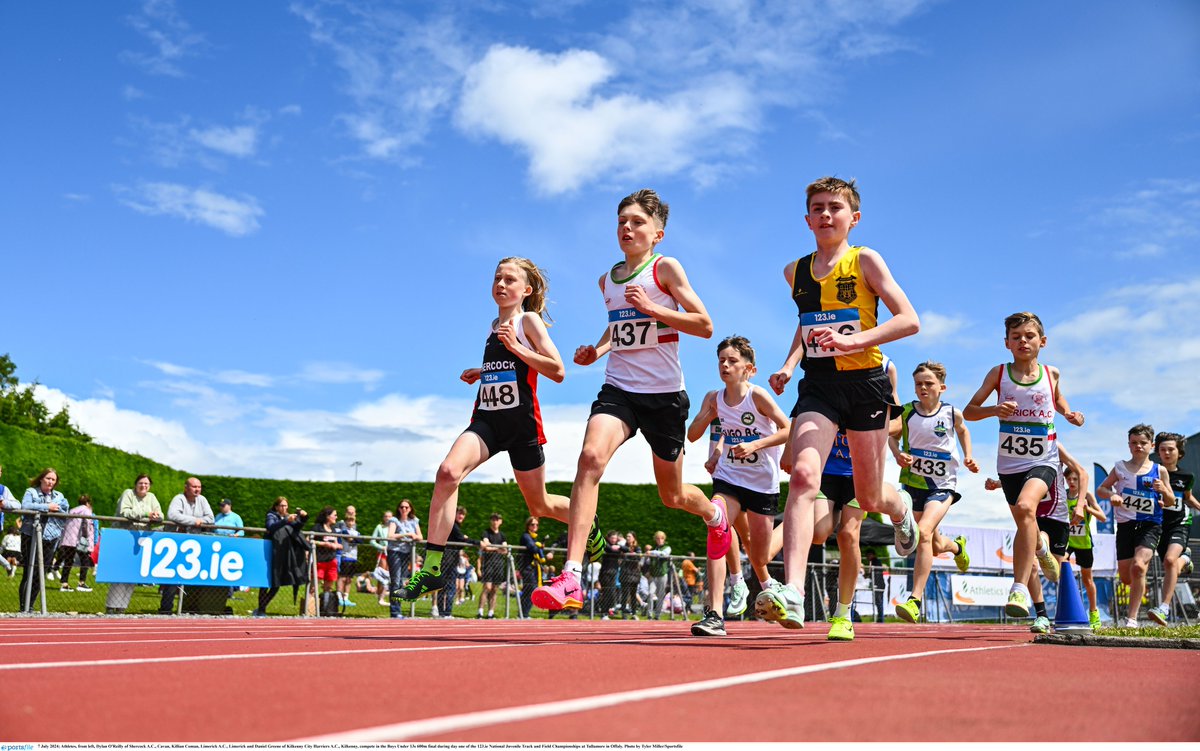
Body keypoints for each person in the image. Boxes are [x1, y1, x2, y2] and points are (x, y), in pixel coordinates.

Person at [534, 188, 727, 613]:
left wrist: (656, 310)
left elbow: (704, 324)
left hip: (663, 397)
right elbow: (619, 327)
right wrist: (597, 352)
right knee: (589, 458)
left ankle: (715, 516)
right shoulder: (608, 279)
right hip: (619, 389)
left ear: (657, 233)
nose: (627, 228)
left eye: (637, 222)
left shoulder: (665, 269)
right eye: (622, 221)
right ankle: (571, 574)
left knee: (671, 495)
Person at [763, 177, 921, 630]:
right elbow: (807, 324)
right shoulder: (794, 272)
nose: (826, 214)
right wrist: (792, 364)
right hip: (820, 386)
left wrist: (855, 340)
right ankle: (792, 592)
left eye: (836, 207)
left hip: (866, 384)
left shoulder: (865, 259)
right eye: (818, 208)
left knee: (868, 495)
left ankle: (900, 508)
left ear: (854, 217)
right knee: (803, 475)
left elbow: (909, 320)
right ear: (807, 218)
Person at [401, 258, 606, 605]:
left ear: (525, 290)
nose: (501, 283)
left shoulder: (529, 321)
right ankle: (433, 566)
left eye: (510, 279)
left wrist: (516, 347)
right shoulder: (493, 324)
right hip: (487, 421)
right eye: (497, 277)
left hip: (522, 425)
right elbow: (508, 369)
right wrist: (482, 372)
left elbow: (557, 370)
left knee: (539, 505)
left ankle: (588, 522)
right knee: (448, 472)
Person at [964, 311, 1085, 618]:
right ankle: (1040, 551)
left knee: (1026, 507)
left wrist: (1071, 414)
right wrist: (995, 409)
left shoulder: (1051, 373)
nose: (1023, 341)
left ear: (1042, 341)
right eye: (1016, 337)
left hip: (1043, 459)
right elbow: (969, 411)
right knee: (1023, 519)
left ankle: (1018, 588)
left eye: (1029, 336)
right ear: (1007, 343)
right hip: (1009, 464)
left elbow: (1057, 400)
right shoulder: (999, 374)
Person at [686, 335, 789, 637]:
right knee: (717, 525)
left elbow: (787, 429)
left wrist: (756, 443)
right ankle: (715, 613)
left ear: (749, 369)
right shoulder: (713, 397)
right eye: (721, 361)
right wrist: (710, 418)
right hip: (729, 477)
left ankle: (796, 522)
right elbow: (692, 435)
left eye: (732, 361)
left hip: (761, 483)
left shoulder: (758, 396)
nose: (725, 366)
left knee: (760, 555)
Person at [889, 361, 978, 625]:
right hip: (913, 484)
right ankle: (956, 547)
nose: (923, 388)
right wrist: (897, 453)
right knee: (933, 543)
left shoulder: (951, 413)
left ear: (942, 387)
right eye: (918, 384)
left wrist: (969, 456)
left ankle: (914, 600)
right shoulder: (906, 412)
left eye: (929, 383)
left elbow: (963, 431)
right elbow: (889, 435)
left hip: (942, 485)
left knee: (924, 532)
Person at [1096, 424, 1173, 627]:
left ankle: (1132, 618)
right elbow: (1101, 489)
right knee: (1126, 577)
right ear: (1129, 445)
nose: (1138, 446)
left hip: (1150, 524)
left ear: (1152, 445)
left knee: (1139, 567)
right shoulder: (1120, 467)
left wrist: (1164, 489)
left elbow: (1172, 500)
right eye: (1134, 443)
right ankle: (1137, 585)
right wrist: (1112, 494)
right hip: (1125, 525)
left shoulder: (1160, 470)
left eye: (1143, 443)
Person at [1148, 432, 1198, 625]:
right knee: (1170, 565)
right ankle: (1185, 558)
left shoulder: (1187, 476)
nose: (1167, 453)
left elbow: (1187, 497)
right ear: (1157, 452)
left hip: (1180, 523)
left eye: (1171, 449)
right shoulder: (1152, 472)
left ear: (1180, 453)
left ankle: (1164, 608)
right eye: (1162, 449)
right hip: (1159, 525)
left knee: (1169, 561)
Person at [106, 474, 164, 614]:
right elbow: (124, 512)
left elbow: (161, 514)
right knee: (120, 573)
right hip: (124, 536)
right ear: (136, 484)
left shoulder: (152, 497)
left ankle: (122, 607)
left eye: (146, 484)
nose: (143, 486)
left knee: (132, 574)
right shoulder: (128, 493)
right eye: (141, 483)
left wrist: (156, 517)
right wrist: (146, 514)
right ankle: (111, 606)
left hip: (141, 539)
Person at [159, 477, 215, 614]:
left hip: (195, 543)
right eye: (194, 487)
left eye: (199, 487)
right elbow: (172, 515)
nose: (197, 489)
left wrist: (196, 521)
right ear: (186, 488)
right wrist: (195, 521)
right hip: (177, 543)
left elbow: (211, 519)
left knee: (194, 576)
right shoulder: (178, 499)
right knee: (172, 577)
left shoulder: (202, 500)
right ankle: (166, 609)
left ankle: (189, 608)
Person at [1064, 462, 1108, 628]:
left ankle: (1093, 612)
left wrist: (1086, 509)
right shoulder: (1063, 495)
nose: (1073, 482)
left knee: (1087, 579)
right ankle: (1068, 608)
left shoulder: (1087, 496)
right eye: (1069, 479)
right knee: (1060, 565)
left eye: (1075, 479)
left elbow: (1102, 517)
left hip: (1084, 542)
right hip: (1068, 540)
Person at [18, 468, 67, 612]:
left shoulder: (59, 495)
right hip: (30, 535)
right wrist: (47, 507)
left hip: (51, 537)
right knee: (29, 571)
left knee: (41, 573)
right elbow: (25, 506)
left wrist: (53, 509)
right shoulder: (31, 492)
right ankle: (23, 606)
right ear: (41, 479)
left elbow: (64, 510)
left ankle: (31, 605)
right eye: (48, 478)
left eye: (53, 479)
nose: (51, 482)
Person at [254, 496, 309, 617]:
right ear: (276, 507)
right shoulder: (271, 515)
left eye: (285, 505)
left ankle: (261, 608)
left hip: (282, 553)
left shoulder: (288, 516)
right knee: (265, 582)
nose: (284, 508)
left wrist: (304, 518)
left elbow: (297, 527)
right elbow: (271, 527)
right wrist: (286, 520)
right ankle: (261, 610)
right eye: (282, 505)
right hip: (269, 552)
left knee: (276, 584)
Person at [387, 499, 422, 617]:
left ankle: (398, 610)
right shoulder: (394, 520)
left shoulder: (414, 521)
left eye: (406, 507)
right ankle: (395, 612)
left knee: (402, 582)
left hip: (407, 553)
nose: (404, 509)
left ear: (410, 509)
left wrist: (414, 537)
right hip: (395, 552)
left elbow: (420, 536)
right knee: (395, 581)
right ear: (398, 508)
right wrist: (406, 535)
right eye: (402, 507)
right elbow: (390, 536)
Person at [57, 495, 96, 592]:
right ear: (88, 503)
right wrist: (86, 537)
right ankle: (81, 583)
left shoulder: (73, 510)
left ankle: (64, 584)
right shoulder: (86, 510)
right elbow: (86, 524)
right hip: (79, 540)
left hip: (68, 539)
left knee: (68, 561)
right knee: (85, 561)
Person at [518, 516, 551, 617]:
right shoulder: (526, 536)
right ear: (528, 526)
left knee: (529, 590)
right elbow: (532, 548)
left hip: (532, 568)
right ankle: (523, 614)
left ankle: (523, 614)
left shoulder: (534, 537)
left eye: (536, 524)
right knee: (531, 589)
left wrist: (539, 546)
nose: (535, 526)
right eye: (532, 524)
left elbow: (536, 548)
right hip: (526, 567)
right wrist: (539, 545)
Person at [477, 512, 507, 618]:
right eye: (493, 519)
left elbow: (505, 550)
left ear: (500, 522)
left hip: (498, 564)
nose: (495, 522)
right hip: (488, 564)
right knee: (487, 588)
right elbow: (486, 547)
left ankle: (491, 612)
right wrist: (497, 548)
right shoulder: (486, 533)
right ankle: (480, 610)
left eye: (497, 519)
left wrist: (494, 548)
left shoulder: (502, 535)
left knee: (495, 589)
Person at [312, 506, 343, 611]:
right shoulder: (318, 527)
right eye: (334, 515)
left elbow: (338, 544)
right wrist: (323, 543)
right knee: (313, 587)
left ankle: (325, 609)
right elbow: (309, 540)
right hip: (320, 561)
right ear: (327, 516)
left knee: (328, 587)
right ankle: (310, 609)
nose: (336, 517)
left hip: (331, 562)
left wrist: (337, 546)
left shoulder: (334, 529)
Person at [334, 505, 361, 608]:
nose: (351, 514)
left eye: (353, 512)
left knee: (349, 578)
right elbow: (345, 537)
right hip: (343, 554)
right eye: (349, 512)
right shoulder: (341, 524)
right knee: (342, 577)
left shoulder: (355, 526)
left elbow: (359, 540)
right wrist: (353, 540)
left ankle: (346, 597)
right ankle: (339, 596)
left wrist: (353, 540)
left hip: (353, 556)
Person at [0, 464, 19, 576]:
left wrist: (3, 503)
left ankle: (6, 564)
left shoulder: (3, 489)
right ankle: (6, 564)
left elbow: (17, 504)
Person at [619, 531, 643, 618]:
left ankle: (634, 613)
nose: (628, 538)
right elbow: (620, 549)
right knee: (624, 594)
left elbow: (638, 557)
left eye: (629, 536)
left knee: (633, 594)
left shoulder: (637, 547)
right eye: (627, 536)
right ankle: (624, 613)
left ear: (634, 538)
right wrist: (630, 552)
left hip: (634, 574)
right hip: (625, 573)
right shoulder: (623, 547)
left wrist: (632, 554)